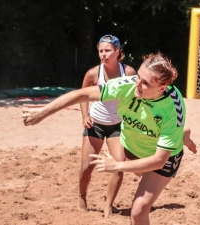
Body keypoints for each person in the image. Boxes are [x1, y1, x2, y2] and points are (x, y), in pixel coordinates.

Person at [22, 52, 196, 225]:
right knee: (137, 171)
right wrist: (42, 112)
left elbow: (158, 161)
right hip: (133, 145)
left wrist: (117, 165)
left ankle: (180, 136)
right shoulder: (127, 85)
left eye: (145, 83)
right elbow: (81, 94)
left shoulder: (172, 108)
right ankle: (181, 134)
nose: (138, 84)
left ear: (162, 88)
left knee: (138, 210)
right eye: (138, 77)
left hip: (161, 158)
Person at [78, 34, 136, 216]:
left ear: (117, 52)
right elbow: (82, 95)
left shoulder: (129, 73)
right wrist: (85, 115)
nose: (103, 54)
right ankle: (81, 197)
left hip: (118, 125)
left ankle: (108, 205)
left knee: (119, 165)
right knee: (87, 167)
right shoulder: (93, 73)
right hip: (95, 123)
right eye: (101, 51)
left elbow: (136, 97)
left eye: (108, 51)